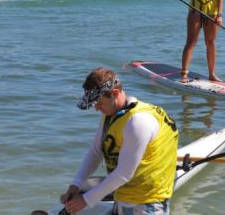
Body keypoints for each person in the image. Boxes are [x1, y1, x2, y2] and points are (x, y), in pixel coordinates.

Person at [60, 67, 179, 215]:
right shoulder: (111, 113)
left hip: (148, 203)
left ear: (115, 94)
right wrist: (75, 185)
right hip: (123, 197)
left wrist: (85, 200)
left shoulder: (138, 122)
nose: (96, 108)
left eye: (98, 103)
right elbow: (96, 151)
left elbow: (124, 174)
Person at [169, 0, 224, 83]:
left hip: (212, 12)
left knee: (210, 42)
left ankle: (212, 74)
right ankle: (184, 74)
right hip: (195, 10)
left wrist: (220, 15)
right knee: (191, 41)